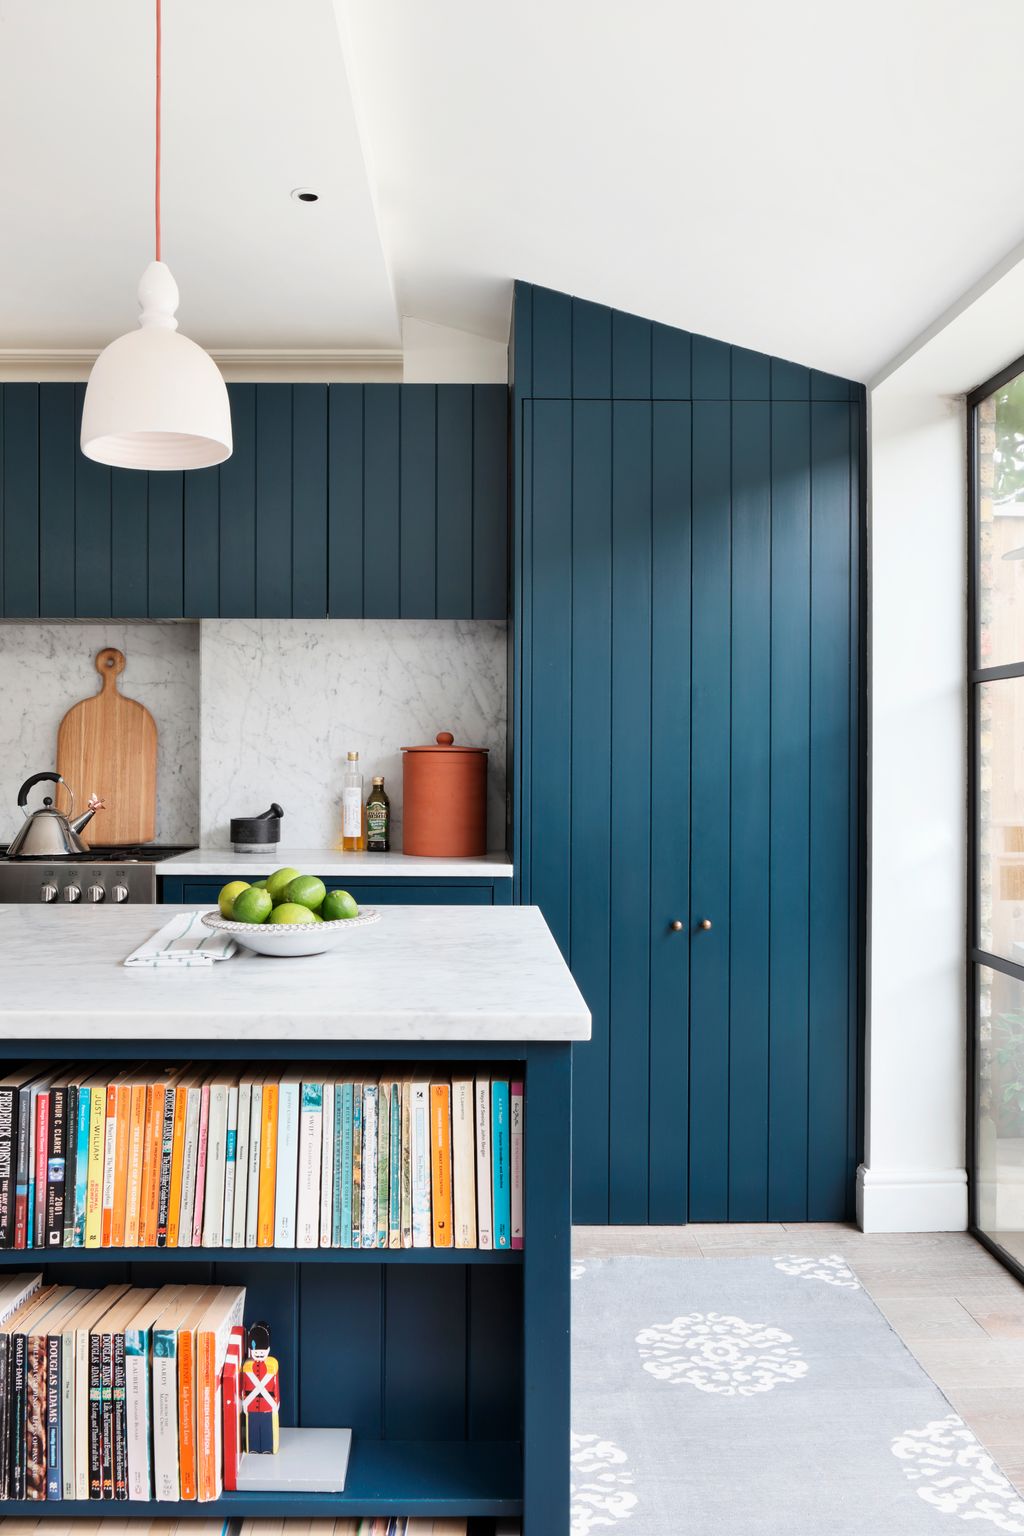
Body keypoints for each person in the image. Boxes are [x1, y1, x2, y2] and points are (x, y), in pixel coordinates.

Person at [241, 1320, 280, 1454]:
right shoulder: (247, 1367)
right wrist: (244, 1402)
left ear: (268, 1350)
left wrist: (276, 1403)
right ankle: (253, 1447)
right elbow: (244, 1386)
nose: (259, 1354)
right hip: (251, 1404)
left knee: (266, 1428)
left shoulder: (272, 1365)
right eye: (256, 1351)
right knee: (253, 1428)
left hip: (267, 1403)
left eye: (262, 1351)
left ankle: (267, 1448)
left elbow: (275, 1386)